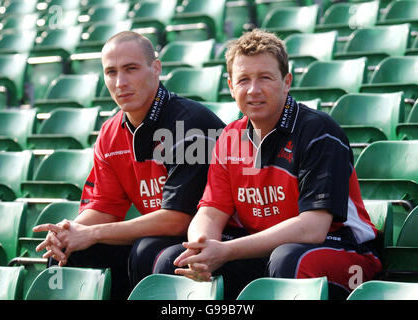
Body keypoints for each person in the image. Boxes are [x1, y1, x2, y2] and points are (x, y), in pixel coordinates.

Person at [151, 29, 383, 300]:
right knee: (174, 261)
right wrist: (202, 246)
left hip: (346, 252)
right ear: (230, 86)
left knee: (289, 259)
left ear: (286, 82)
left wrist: (227, 251)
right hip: (263, 248)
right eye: (244, 80)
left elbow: (313, 228)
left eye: (265, 78)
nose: (253, 90)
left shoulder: (319, 131)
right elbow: (211, 212)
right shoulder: (229, 137)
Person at [32, 31, 225, 300]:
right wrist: (70, 232)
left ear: (155, 68)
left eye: (131, 69)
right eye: (111, 72)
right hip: (162, 234)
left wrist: (92, 233)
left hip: (222, 238)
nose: (120, 82)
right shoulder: (110, 132)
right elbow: (103, 207)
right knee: (69, 251)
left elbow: (177, 220)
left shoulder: (188, 124)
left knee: (148, 250)